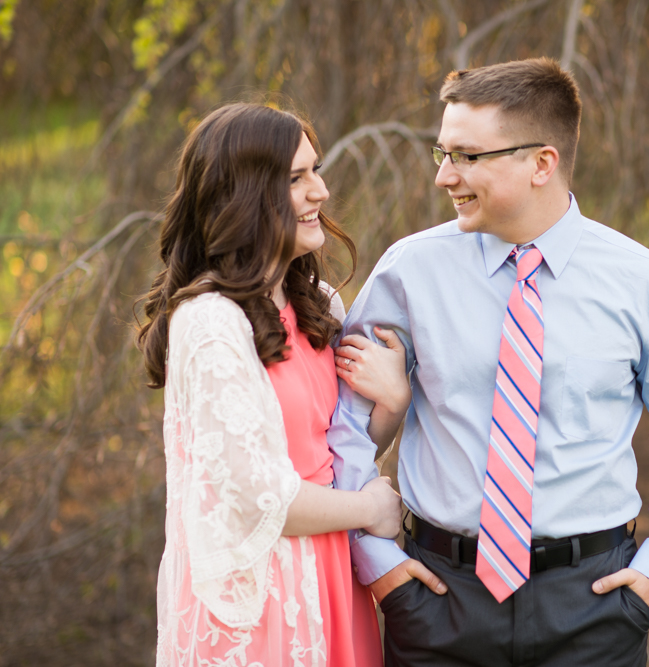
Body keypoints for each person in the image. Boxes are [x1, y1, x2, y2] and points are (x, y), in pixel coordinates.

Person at [327, 58, 649, 666]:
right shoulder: (409, 272)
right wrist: (380, 566)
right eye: (441, 153)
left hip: (594, 606)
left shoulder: (646, 283)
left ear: (542, 163)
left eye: (466, 156)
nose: (443, 177)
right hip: (437, 601)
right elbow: (345, 422)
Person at [136, 102, 411, 667]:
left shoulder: (317, 303)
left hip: (333, 573)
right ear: (243, 195)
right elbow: (256, 497)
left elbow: (341, 445)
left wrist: (393, 402)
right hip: (264, 594)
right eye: (296, 178)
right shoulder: (211, 322)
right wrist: (368, 510)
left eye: (316, 170)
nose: (321, 192)